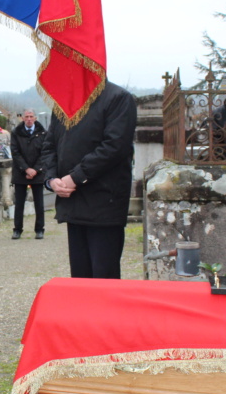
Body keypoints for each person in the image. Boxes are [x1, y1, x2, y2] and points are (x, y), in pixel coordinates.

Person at [40, 81, 137, 279]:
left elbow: (114, 147)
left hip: (103, 204)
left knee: (103, 278)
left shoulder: (118, 98)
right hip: (73, 204)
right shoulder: (64, 103)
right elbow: (50, 146)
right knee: (80, 278)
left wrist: (76, 177)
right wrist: (52, 179)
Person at [10, 109, 46, 239]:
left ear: (35, 118)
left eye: (31, 116)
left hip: (38, 173)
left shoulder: (43, 133)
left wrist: (35, 169)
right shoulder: (16, 133)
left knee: (39, 203)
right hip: (20, 173)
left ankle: (40, 229)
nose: (29, 119)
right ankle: (17, 229)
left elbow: (45, 152)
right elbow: (15, 152)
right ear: (23, 118)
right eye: (27, 117)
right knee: (19, 203)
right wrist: (26, 169)